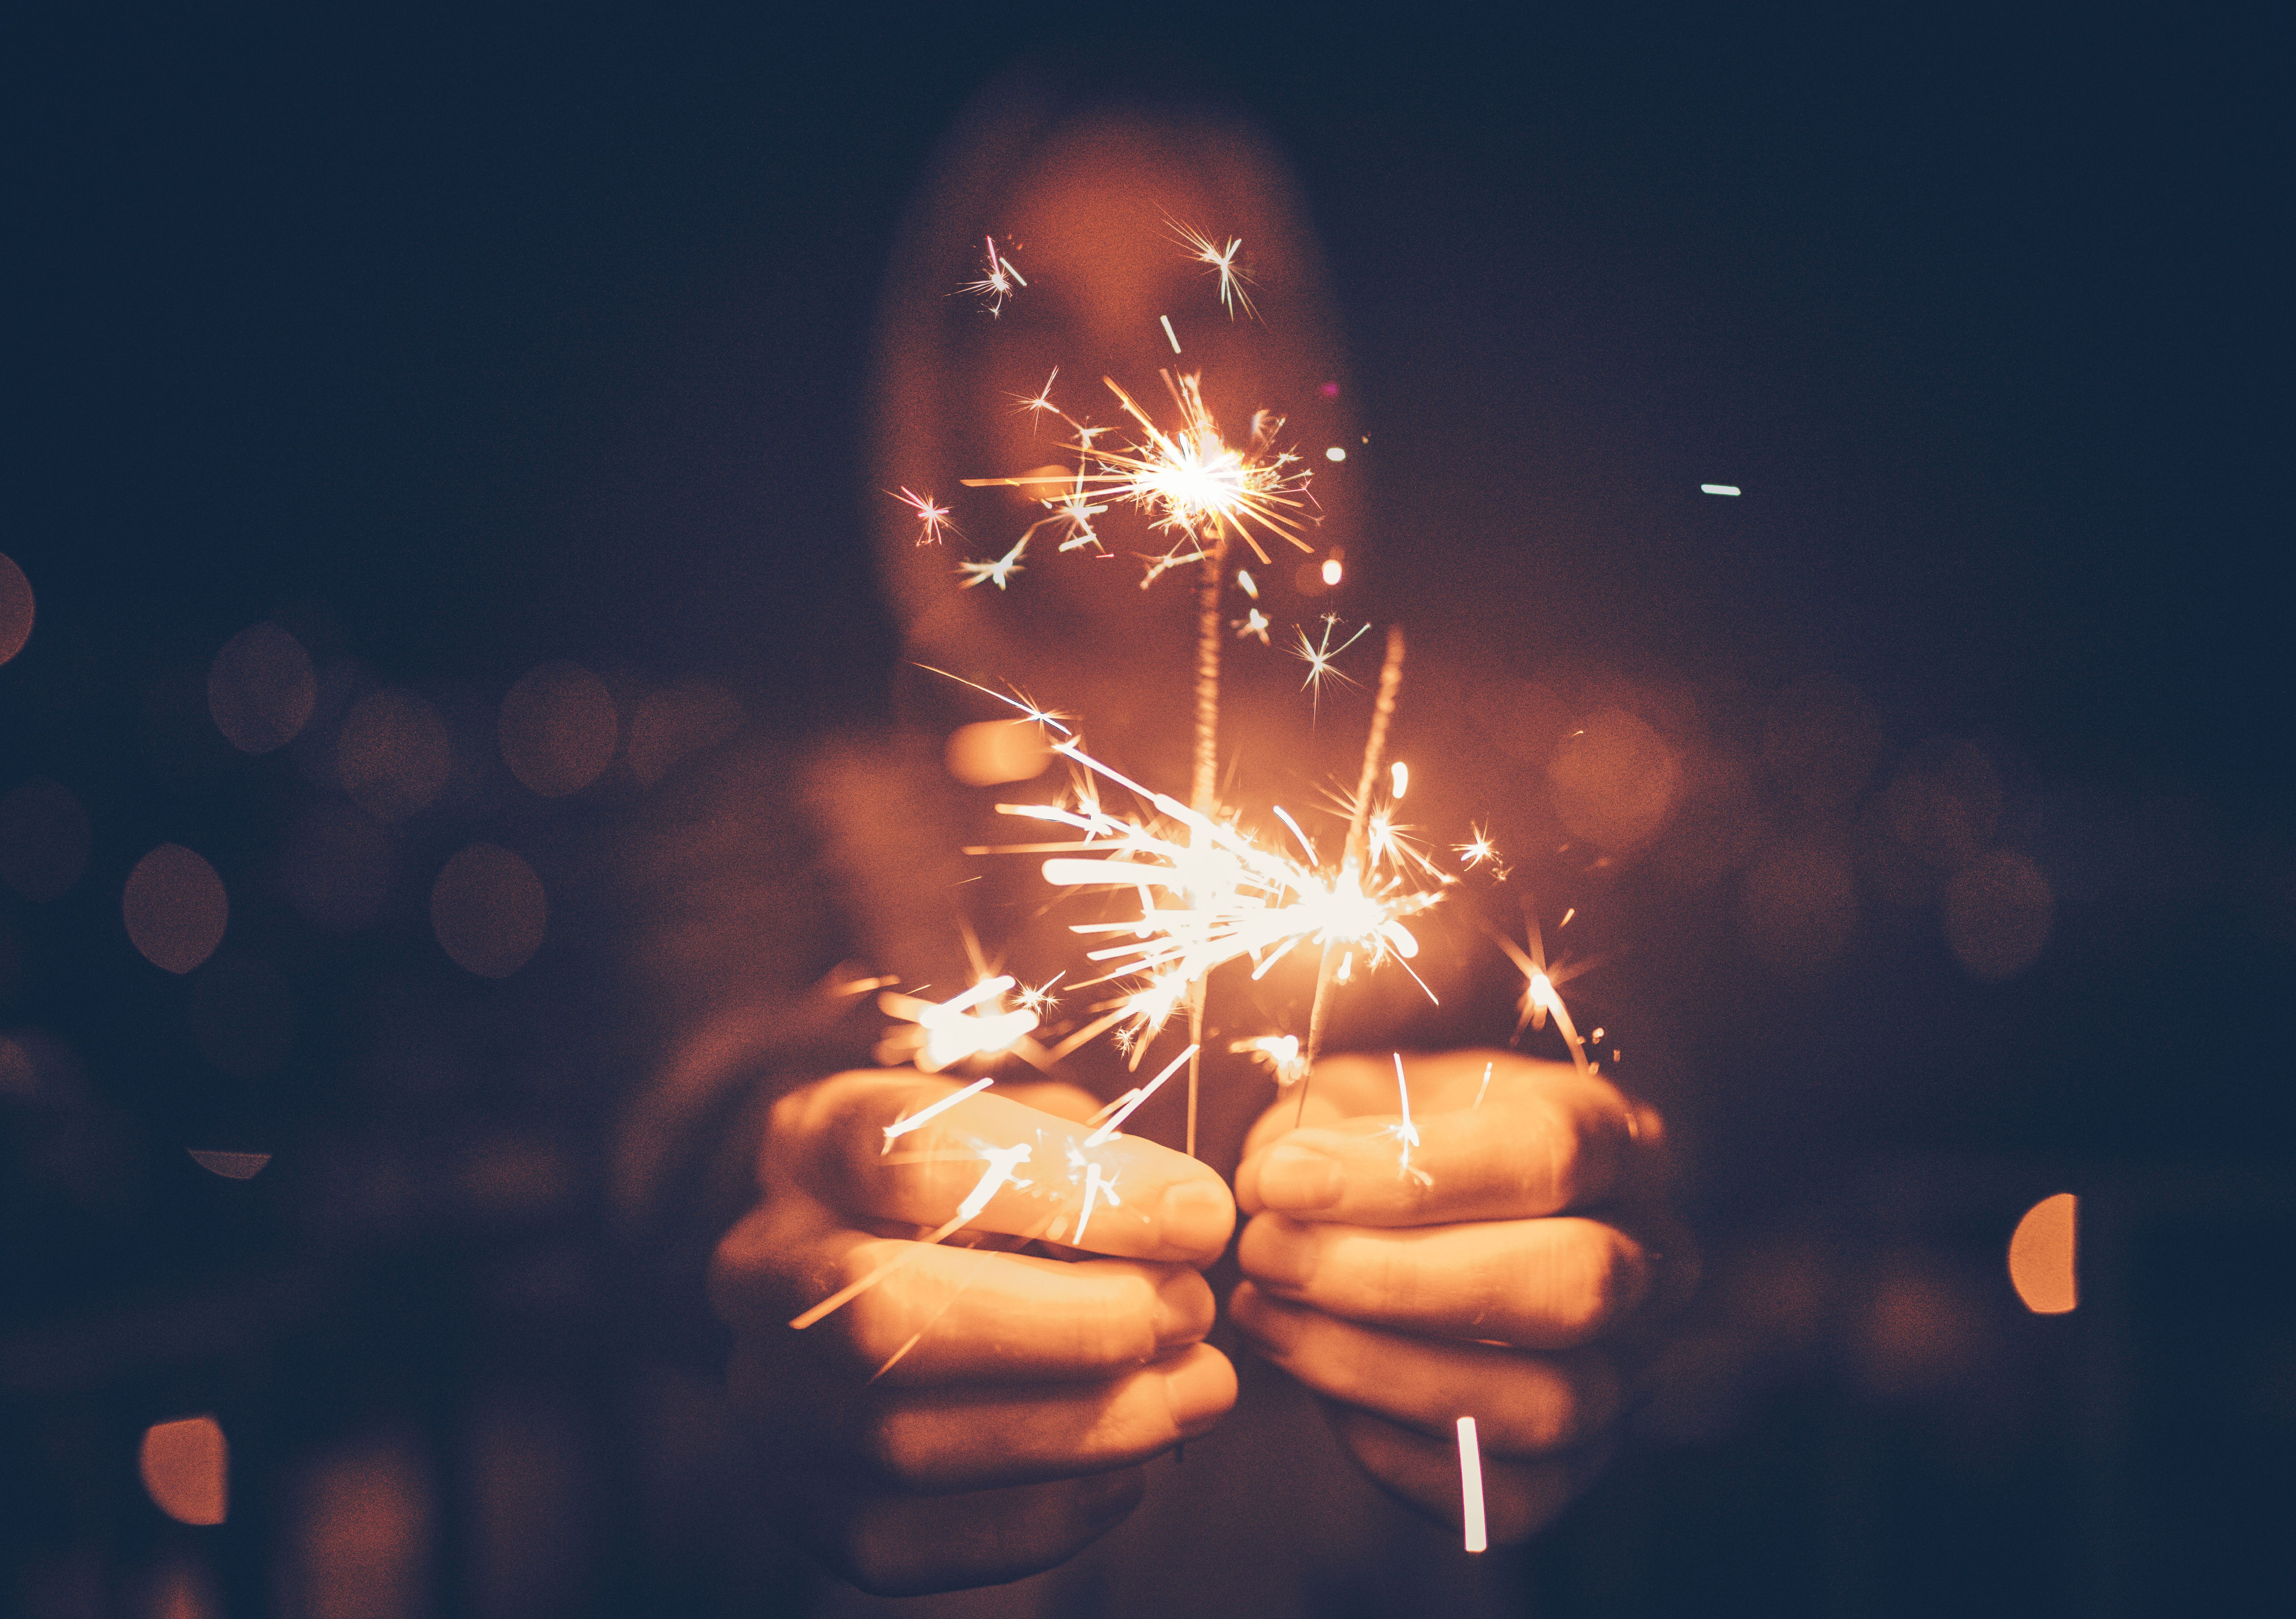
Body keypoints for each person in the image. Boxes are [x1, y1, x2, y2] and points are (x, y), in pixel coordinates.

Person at [615, 63, 1694, 1616]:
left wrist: (1606, 1239)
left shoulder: (1455, 804)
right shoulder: (799, 814)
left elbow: (1638, 1107)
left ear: (1296, 370)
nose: (1119, 403)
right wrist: (790, 1198)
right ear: (937, 390)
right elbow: (687, 1123)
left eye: (1198, 315)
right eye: (1033, 325)